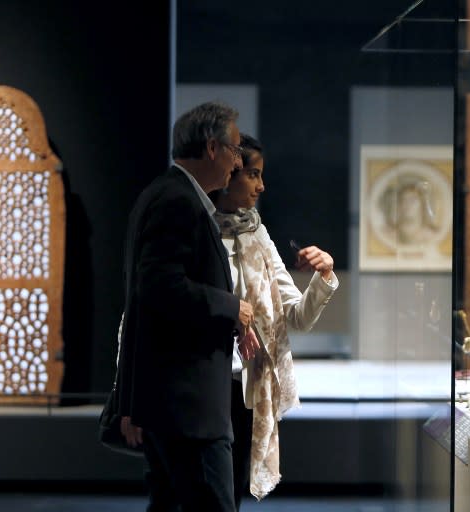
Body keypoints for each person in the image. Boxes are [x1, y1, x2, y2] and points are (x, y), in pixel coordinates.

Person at [117, 101, 260, 512]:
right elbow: (159, 286)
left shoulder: (168, 194)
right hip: (187, 407)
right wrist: (231, 306)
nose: (236, 163)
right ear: (212, 149)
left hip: (176, 402)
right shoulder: (177, 200)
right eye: (234, 151)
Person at [209, 134, 339, 507]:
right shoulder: (200, 230)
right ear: (228, 175)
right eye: (252, 174)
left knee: (229, 491)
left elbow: (296, 317)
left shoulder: (257, 234)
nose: (260, 186)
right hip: (204, 380)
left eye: (261, 175)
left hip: (248, 383)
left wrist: (324, 276)